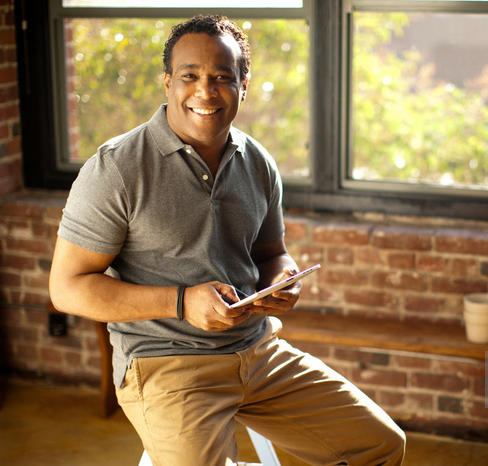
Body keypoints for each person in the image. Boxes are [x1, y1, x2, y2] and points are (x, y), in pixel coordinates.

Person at [49, 14, 405, 466]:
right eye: (190, 76)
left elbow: (271, 253)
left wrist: (283, 279)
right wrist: (181, 301)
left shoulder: (258, 161)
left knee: (381, 446)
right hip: (167, 365)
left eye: (222, 77)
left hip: (259, 352)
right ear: (167, 83)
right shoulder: (116, 168)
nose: (205, 91)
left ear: (244, 84)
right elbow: (67, 288)